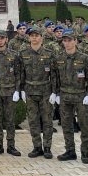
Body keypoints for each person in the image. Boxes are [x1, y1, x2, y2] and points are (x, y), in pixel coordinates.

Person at [54, 30, 88, 163]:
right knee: (66, 124)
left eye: (69, 40)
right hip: (65, 95)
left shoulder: (85, 58)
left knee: (84, 125)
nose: (67, 43)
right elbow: (56, 78)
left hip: (80, 96)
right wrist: (56, 93)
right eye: (65, 40)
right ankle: (70, 150)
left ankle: (85, 152)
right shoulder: (59, 58)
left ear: (76, 41)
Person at [18, 28, 56, 159]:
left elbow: (54, 75)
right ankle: (37, 147)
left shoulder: (49, 54)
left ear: (41, 38)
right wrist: (21, 90)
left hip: (45, 91)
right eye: (32, 36)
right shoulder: (23, 54)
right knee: (33, 121)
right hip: (29, 91)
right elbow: (20, 73)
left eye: (36, 36)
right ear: (29, 38)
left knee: (47, 120)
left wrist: (54, 92)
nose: (34, 38)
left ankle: (47, 147)